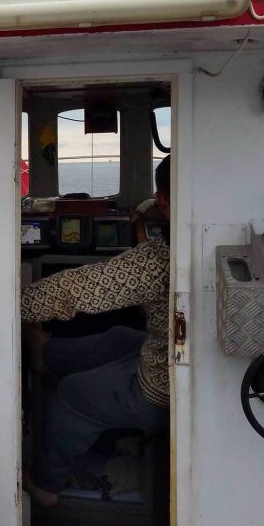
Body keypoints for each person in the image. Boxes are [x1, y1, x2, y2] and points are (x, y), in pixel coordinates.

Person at [22, 156, 171, 506]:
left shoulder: (159, 259)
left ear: (163, 201)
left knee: (72, 395)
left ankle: (45, 485)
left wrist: (11, 305)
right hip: (175, 360)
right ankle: (44, 354)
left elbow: (76, 290)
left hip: (164, 390)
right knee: (121, 337)